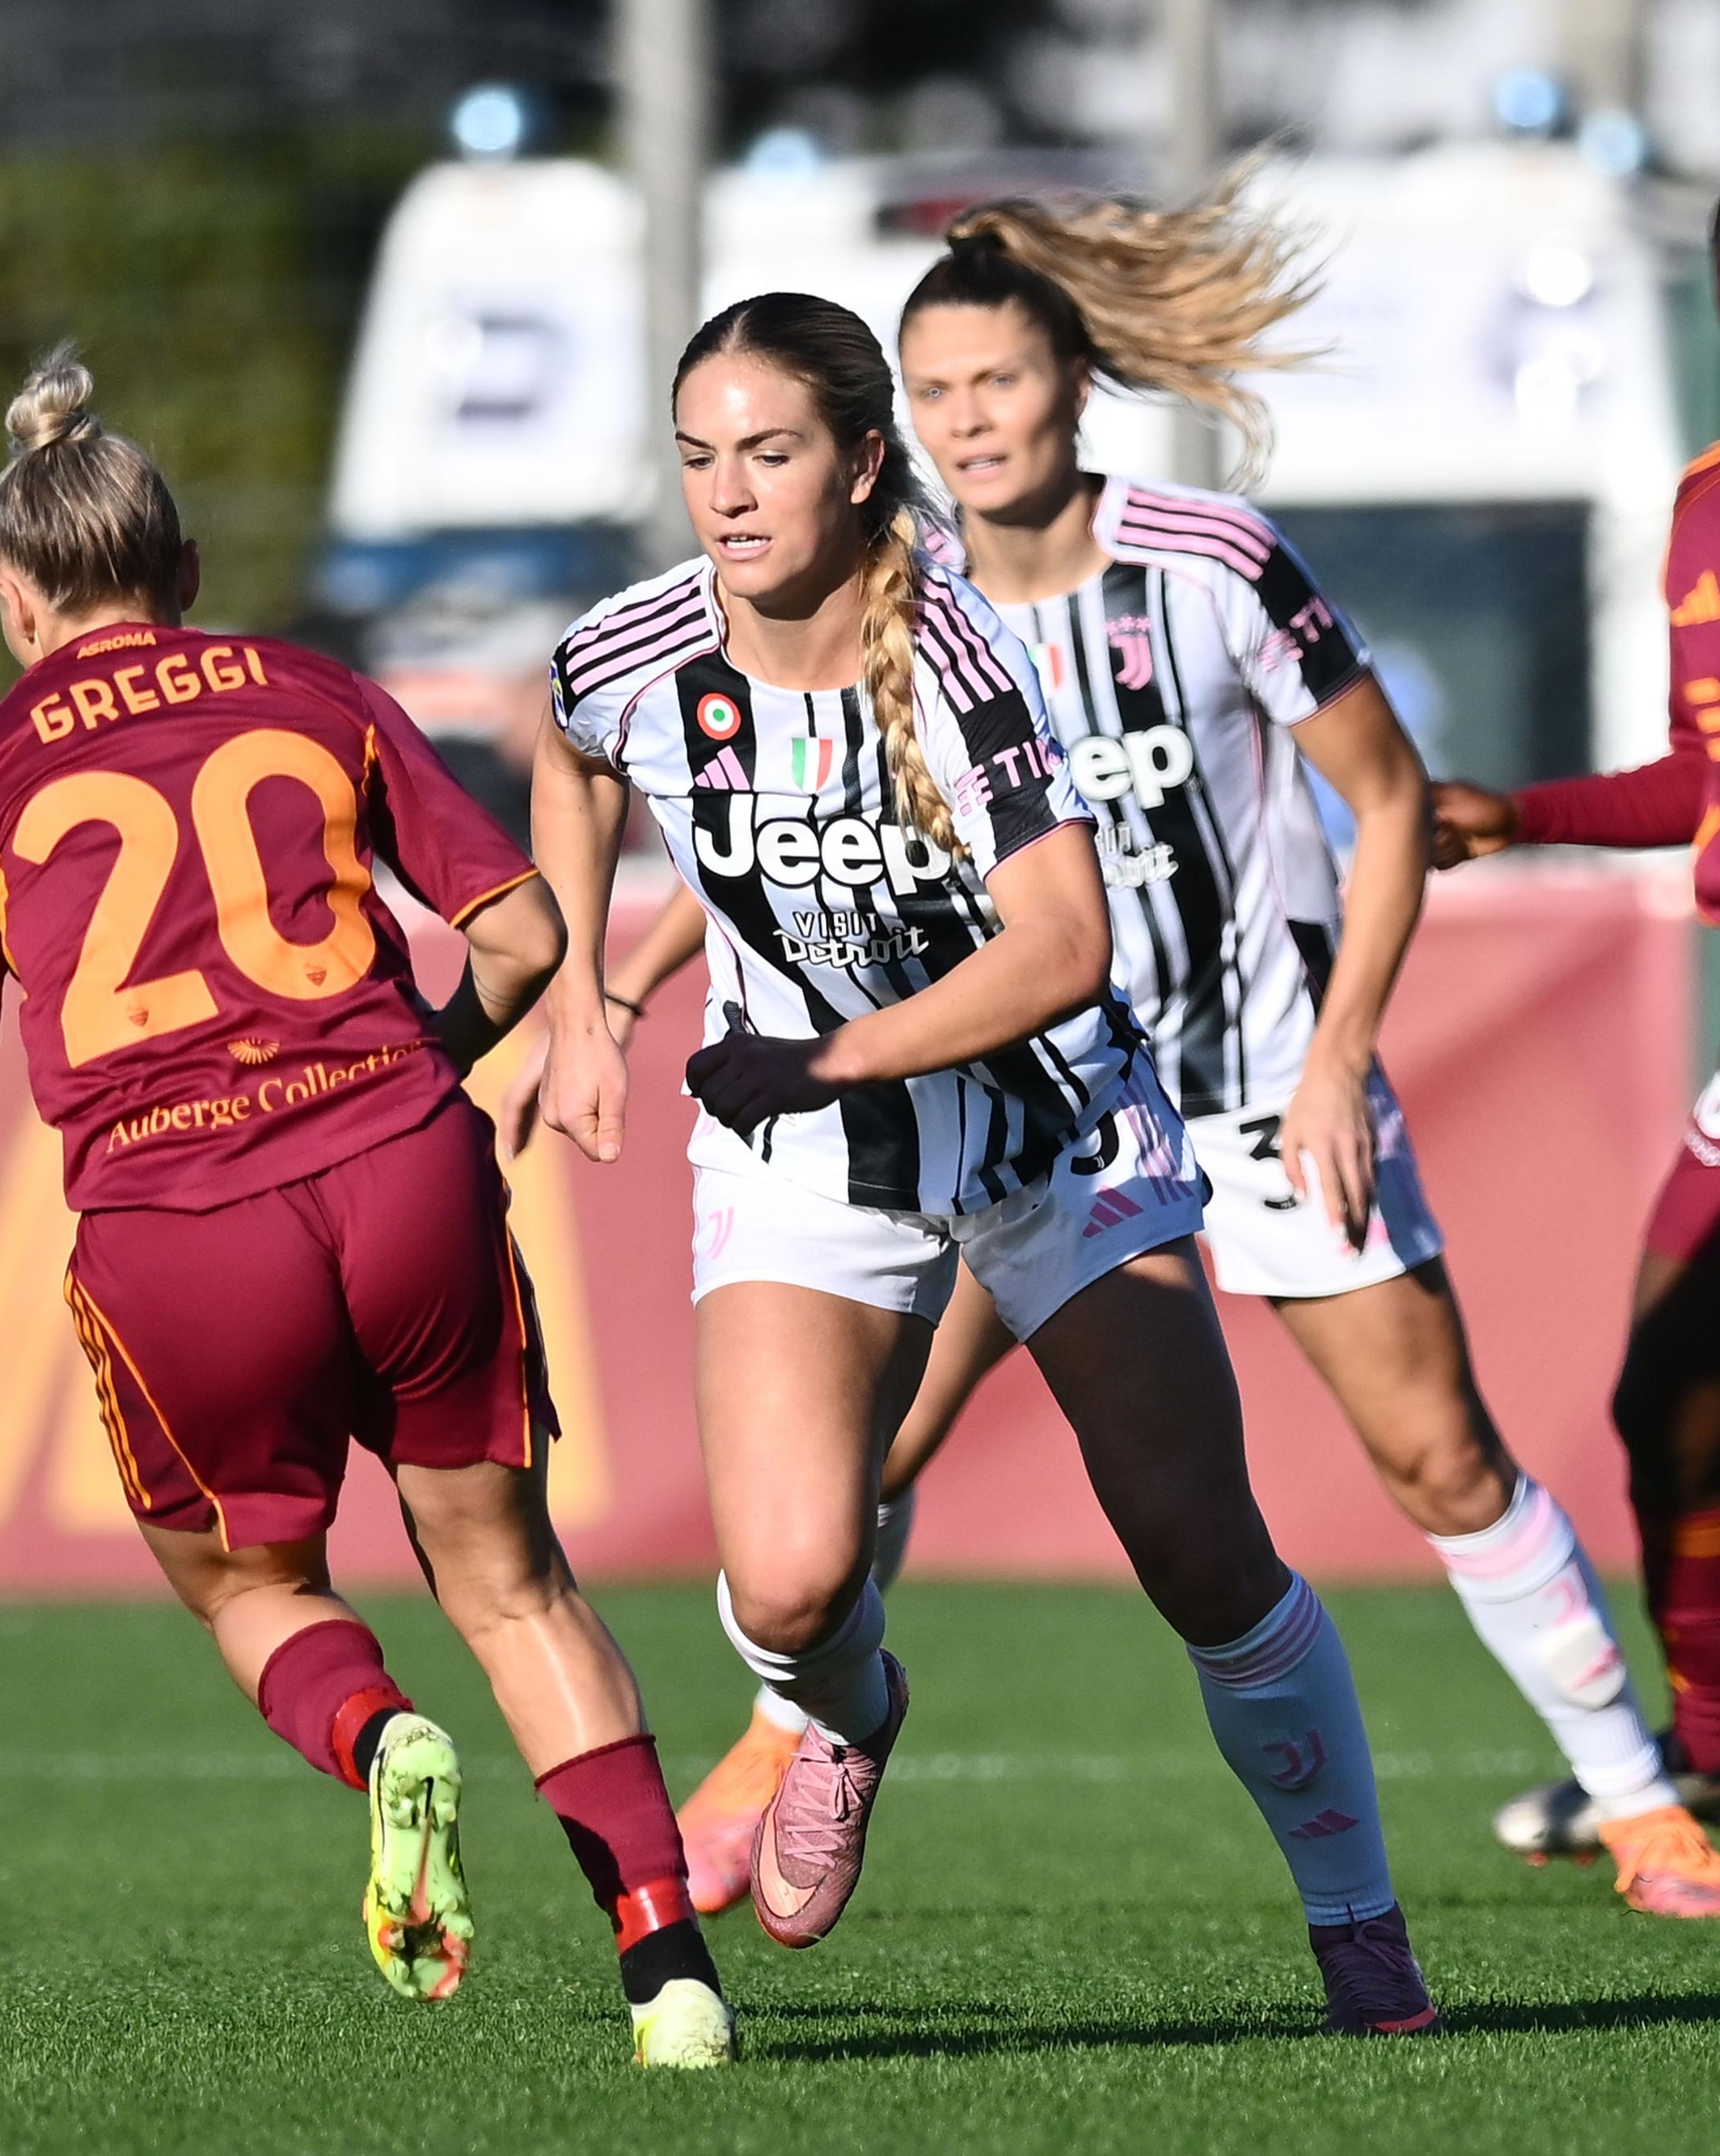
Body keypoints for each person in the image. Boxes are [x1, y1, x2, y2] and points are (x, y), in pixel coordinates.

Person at [521, 176, 1720, 1928]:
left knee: (1436, 1459)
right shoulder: (879, 608)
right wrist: (616, 980)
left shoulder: (1206, 564)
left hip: (1236, 1083)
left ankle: (1638, 1807)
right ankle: (795, 1735)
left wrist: (1337, 1065)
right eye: (934, 393)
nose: (966, 422)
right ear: (892, 429)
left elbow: (1383, 800)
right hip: (1011, 1114)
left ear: (1072, 389)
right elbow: (803, 841)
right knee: (848, 1481)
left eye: (994, 385)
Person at [0, 350, 735, 2070]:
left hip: (178, 1224)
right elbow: (526, 941)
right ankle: (669, 1973)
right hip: (399, 1163)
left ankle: (380, 1743)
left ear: (14, 601)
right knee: (513, 1580)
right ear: (189, 570)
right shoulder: (315, 691)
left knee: (253, 1587)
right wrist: (414, 1073)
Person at [531, 289, 1439, 2033]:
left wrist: (833, 1044)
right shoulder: (636, 647)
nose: (727, 493)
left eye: (771, 452)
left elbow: (1060, 944)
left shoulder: (956, 650)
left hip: (1055, 1140)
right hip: (813, 1160)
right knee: (792, 1585)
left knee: (1199, 1550)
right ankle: (851, 1710)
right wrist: (577, 989)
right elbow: (565, 752)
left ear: (864, 465)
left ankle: (1357, 1925)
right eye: (698, 456)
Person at [1433, 196, 1720, 1864]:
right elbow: (1703, 770)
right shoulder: (1699, 508)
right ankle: (1696, 1759)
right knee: (1667, 1396)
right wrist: (1519, 809)